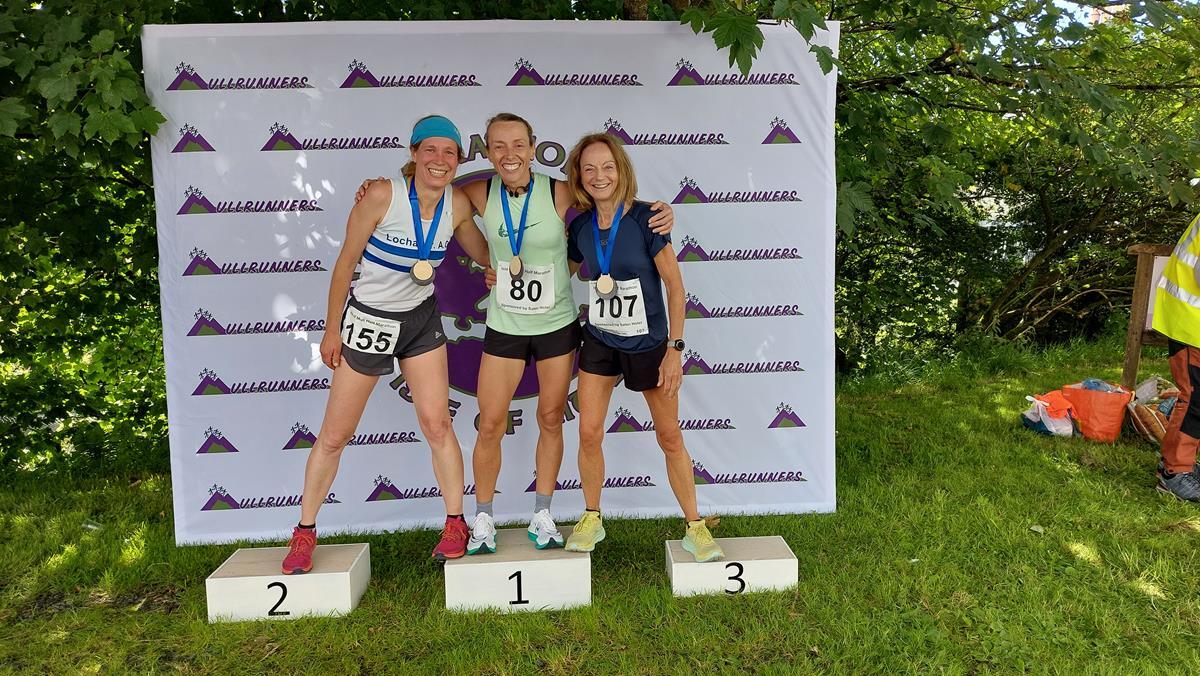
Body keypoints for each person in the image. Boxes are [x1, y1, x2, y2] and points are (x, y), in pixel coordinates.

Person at [357, 113, 674, 557]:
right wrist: (381, 186)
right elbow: (426, 193)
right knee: (489, 423)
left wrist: (659, 212)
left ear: (532, 146)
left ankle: (543, 514)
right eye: (499, 146)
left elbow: (612, 209)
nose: (509, 154)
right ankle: (483, 517)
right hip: (505, 327)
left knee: (549, 418)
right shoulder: (475, 193)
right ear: (488, 152)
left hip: (557, 327)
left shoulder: (561, 191)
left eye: (518, 144)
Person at [282, 115, 490, 574]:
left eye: (449, 152)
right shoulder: (382, 194)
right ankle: (304, 531)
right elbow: (344, 265)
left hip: (419, 322)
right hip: (368, 320)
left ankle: (454, 523)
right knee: (335, 435)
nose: (439, 160)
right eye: (430, 150)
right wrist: (332, 329)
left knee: (438, 426)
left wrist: (508, 260)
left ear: (459, 160)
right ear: (413, 153)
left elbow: (483, 254)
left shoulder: (456, 204)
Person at [560, 133, 722, 562]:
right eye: (590, 169)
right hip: (598, 339)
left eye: (608, 167)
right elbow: (563, 271)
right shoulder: (579, 226)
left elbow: (675, 287)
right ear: (579, 175)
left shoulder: (649, 218)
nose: (599, 176)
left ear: (622, 171)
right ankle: (592, 516)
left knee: (669, 436)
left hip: (650, 342)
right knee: (589, 431)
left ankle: (694, 525)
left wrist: (675, 348)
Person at [1153, 211, 1200, 501]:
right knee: (1196, 399)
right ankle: (1174, 473)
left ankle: (1183, 465)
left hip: (1190, 319)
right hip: (1191, 323)